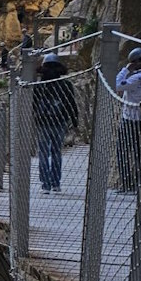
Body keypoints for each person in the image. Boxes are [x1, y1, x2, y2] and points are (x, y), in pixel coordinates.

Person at [33, 54, 78, 193]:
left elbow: (34, 104)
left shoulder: (39, 85)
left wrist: (34, 118)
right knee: (56, 152)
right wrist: (74, 121)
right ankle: (56, 183)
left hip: (43, 122)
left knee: (43, 153)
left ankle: (45, 185)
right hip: (60, 121)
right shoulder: (65, 85)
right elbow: (71, 104)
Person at [115, 47, 141, 191]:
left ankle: (127, 183)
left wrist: (126, 69)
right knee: (139, 152)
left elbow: (117, 84)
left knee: (122, 151)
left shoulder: (135, 78)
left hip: (130, 118)